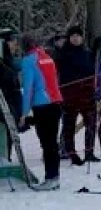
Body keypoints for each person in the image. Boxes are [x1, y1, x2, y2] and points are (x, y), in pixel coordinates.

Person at [19, 35, 63, 190]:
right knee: (52, 142)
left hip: (42, 105)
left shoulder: (28, 61)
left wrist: (24, 112)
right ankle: (55, 176)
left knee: (47, 143)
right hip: (56, 102)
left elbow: (28, 88)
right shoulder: (46, 57)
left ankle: (50, 177)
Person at [56, 26, 99, 165]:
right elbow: (60, 73)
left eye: (78, 36)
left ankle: (89, 151)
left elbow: (91, 71)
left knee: (91, 123)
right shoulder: (63, 54)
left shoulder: (87, 53)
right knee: (69, 125)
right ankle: (71, 152)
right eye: (73, 36)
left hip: (87, 95)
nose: (75, 38)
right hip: (70, 96)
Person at [1, 29, 22, 162]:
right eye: (11, 41)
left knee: (9, 142)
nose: (14, 44)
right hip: (3, 110)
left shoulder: (10, 61)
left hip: (12, 107)